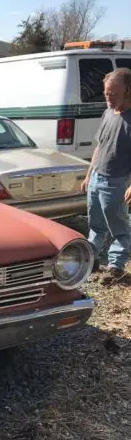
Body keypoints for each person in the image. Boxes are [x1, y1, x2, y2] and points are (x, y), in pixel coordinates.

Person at [81, 67, 131, 284]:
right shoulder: (108, 113)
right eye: (106, 93)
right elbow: (100, 147)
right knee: (95, 225)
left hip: (118, 181)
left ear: (129, 91)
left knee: (119, 228)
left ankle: (115, 267)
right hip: (96, 178)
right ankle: (90, 260)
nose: (109, 98)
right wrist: (88, 174)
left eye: (114, 94)